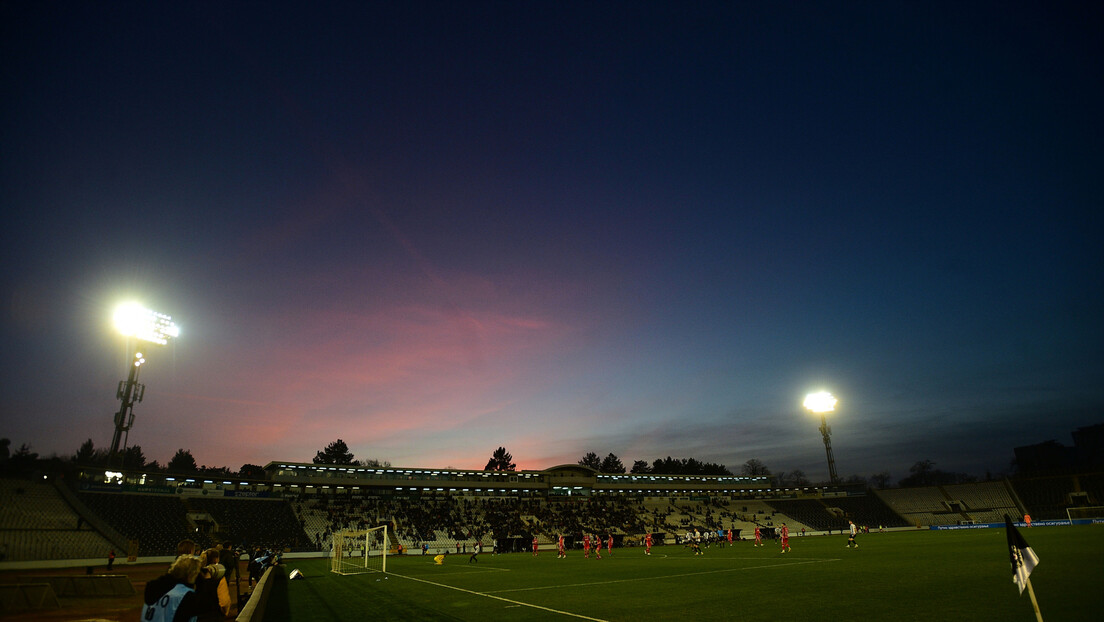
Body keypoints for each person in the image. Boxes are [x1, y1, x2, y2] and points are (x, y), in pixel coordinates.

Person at [143, 554, 212, 622]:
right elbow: (204, 606)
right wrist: (205, 582)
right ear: (192, 574)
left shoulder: (154, 586)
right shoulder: (185, 596)